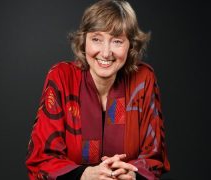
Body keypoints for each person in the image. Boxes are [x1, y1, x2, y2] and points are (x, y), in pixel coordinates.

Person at [25, 0, 170, 179]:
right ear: (84, 41)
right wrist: (85, 175)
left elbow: (154, 157)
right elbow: (41, 158)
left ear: (130, 45)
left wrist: (131, 174)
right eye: (96, 39)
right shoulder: (62, 77)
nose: (106, 52)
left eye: (117, 41)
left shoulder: (143, 79)